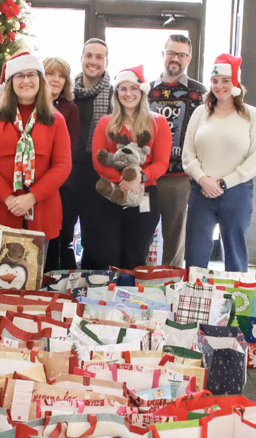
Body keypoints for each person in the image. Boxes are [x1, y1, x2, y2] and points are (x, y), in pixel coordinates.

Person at [0, 52, 72, 260]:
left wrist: (32, 197)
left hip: (40, 210)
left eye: (31, 75)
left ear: (40, 81)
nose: (26, 81)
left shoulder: (56, 120)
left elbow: (62, 165)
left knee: (31, 280)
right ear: (10, 82)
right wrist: (8, 197)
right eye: (19, 76)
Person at [183, 54, 256, 272]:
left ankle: (237, 298)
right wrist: (204, 181)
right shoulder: (200, 113)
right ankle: (195, 298)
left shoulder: (254, 116)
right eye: (214, 81)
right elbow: (188, 156)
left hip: (236, 192)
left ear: (235, 83)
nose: (219, 86)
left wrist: (223, 183)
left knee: (235, 252)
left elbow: (255, 160)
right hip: (201, 192)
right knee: (195, 253)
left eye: (225, 80)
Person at [82, 65, 172, 270]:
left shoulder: (158, 123)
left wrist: (139, 178)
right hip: (110, 195)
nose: (128, 94)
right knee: (107, 253)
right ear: (116, 93)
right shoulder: (106, 123)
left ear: (142, 91)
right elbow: (99, 161)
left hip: (144, 194)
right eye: (123, 89)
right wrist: (122, 182)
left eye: (133, 88)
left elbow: (161, 162)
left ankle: (131, 298)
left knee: (136, 253)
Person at [149, 34, 207, 268]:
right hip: (149, 176)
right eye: (171, 53)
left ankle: (170, 279)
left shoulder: (200, 93)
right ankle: (141, 279)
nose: (175, 59)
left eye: (181, 55)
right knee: (144, 233)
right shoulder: (146, 90)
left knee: (175, 235)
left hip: (180, 177)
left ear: (188, 59)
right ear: (163, 54)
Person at [70, 39, 113, 268]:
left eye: (99, 57)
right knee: (62, 236)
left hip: (98, 175)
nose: (93, 61)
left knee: (94, 240)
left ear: (106, 62)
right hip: (66, 174)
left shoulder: (114, 95)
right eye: (89, 55)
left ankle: (89, 290)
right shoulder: (67, 92)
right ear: (82, 59)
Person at [42, 57, 80, 271]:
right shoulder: (29, 105)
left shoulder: (70, 109)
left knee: (61, 238)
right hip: (31, 183)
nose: (56, 79)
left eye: (61, 75)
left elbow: (70, 150)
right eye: (51, 74)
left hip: (61, 186)